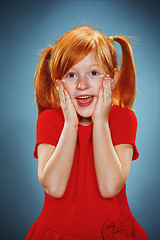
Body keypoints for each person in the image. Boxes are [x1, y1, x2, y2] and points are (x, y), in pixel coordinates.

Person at [25, 26, 149, 239]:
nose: (82, 84)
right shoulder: (49, 120)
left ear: (112, 79)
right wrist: (70, 124)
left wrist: (100, 122)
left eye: (93, 73)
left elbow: (110, 187)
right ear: (59, 84)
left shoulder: (123, 119)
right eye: (72, 75)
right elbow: (53, 187)